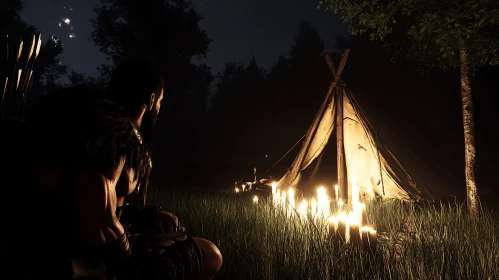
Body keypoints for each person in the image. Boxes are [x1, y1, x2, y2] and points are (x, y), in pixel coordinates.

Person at [105, 58, 222, 279]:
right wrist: (132, 256)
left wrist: (149, 215)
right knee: (211, 255)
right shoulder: (114, 139)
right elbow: (100, 218)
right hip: (109, 256)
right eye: (159, 100)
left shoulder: (124, 138)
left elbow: (111, 209)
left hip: (115, 242)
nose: (159, 107)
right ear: (151, 100)